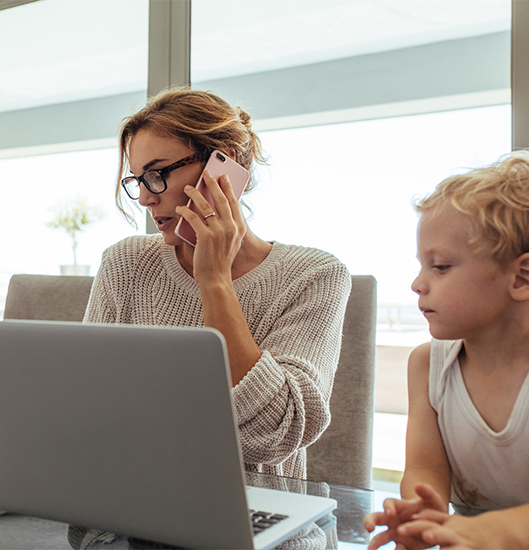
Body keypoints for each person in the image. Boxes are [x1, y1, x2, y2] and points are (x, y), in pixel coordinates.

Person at [84, 87, 351, 479]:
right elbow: (88, 404)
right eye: (137, 179)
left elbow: (271, 436)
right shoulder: (126, 263)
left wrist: (215, 281)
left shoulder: (314, 276)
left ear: (224, 162)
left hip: (253, 512)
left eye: (156, 175)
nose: (144, 198)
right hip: (134, 496)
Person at [364, 150, 529, 550]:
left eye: (441, 266)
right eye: (421, 265)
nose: (417, 283)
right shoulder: (428, 363)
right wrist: (421, 512)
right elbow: (425, 468)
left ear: (523, 277)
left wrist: (477, 532)